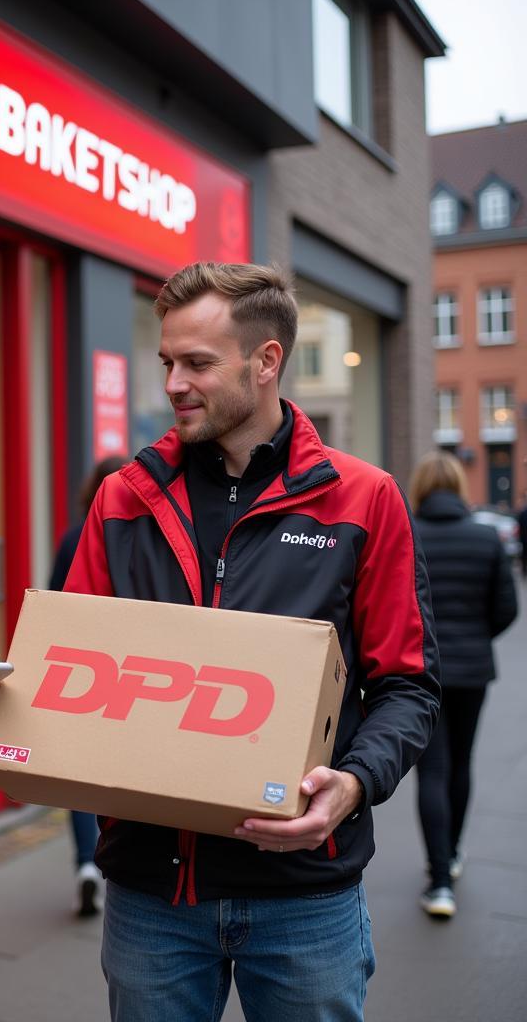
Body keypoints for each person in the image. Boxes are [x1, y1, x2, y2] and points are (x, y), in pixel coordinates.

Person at [63, 262, 440, 1022]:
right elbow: (69, 665)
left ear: (266, 362)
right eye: (168, 360)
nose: (173, 383)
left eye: (197, 363)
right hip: (152, 895)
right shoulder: (121, 498)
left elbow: (407, 685)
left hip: (304, 894)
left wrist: (355, 785)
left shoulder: (363, 500)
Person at [409, 452, 518, 918]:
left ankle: (438, 884)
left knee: (431, 769)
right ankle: (451, 857)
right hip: (472, 669)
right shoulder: (486, 538)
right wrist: (476, 637)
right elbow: (507, 608)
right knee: (461, 764)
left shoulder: (409, 534)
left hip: (421, 671)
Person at [49, 454, 126, 917]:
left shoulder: (72, 537)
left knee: (78, 778)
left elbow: (53, 602)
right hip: (125, 676)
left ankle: (85, 865)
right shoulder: (140, 534)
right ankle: (109, 859)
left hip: (79, 673)